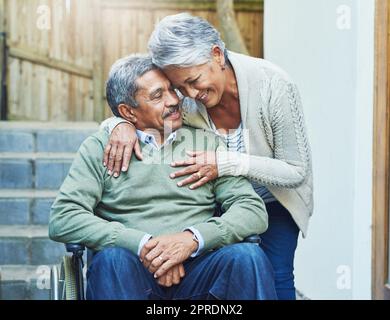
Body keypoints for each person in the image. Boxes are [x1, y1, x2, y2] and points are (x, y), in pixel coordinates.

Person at [101, 13, 313, 300]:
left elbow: (296, 170)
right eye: (180, 87)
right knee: (216, 275)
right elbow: (140, 113)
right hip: (214, 197)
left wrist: (224, 163)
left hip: (274, 200)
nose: (190, 93)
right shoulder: (185, 99)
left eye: (194, 80)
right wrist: (119, 124)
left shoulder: (273, 87)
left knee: (274, 278)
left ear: (216, 54)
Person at [49, 54, 277, 300]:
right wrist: (145, 245)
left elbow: (251, 209)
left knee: (248, 257)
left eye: (172, 90)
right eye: (158, 96)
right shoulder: (100, 148)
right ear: (128, 112)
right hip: (130, 271)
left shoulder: (204, 142)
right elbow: (64, 218)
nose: (173, 101)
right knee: (112, 260)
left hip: (200, 269)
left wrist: (191, 240)